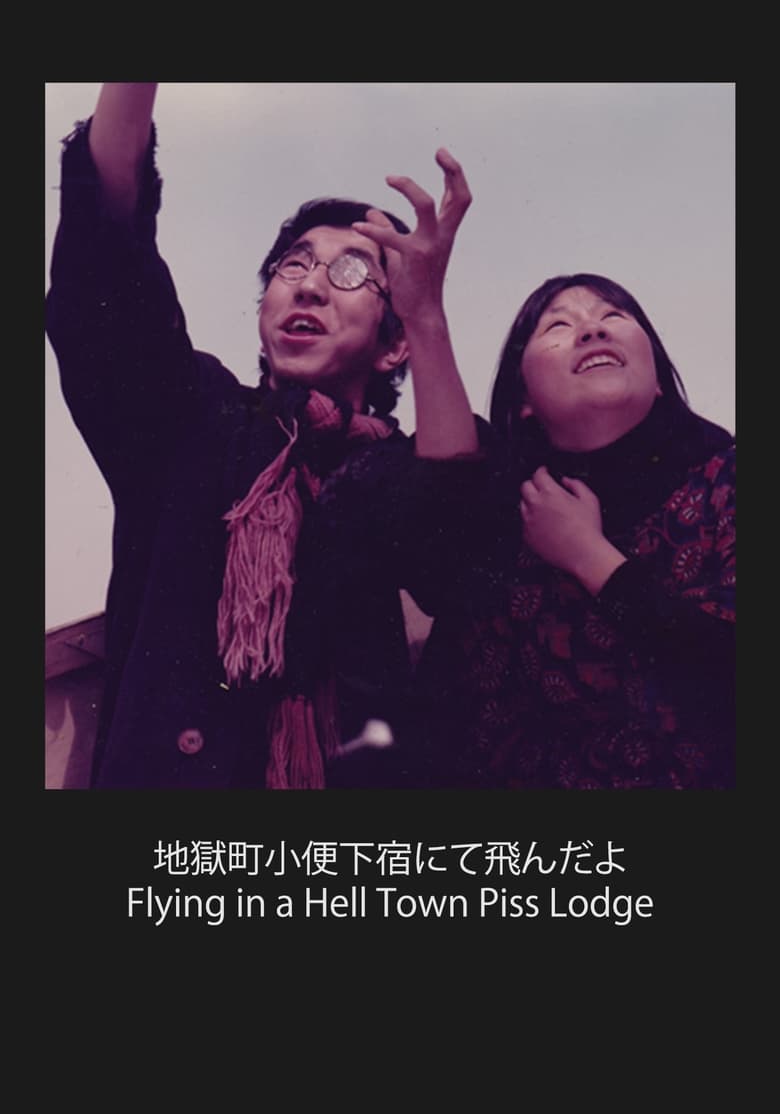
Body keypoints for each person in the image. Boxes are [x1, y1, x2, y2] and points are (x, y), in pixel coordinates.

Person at [46, 82, 481, 790]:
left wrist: (427, 315)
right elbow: (109, 261)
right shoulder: (193, 419)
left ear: (394, 343)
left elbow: (459, 550)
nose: (309, 287)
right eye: (293, 265)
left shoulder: (399, 465)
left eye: (352, 272)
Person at [415, 273, 735, 789]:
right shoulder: (505, 525)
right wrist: (424, 318)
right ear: (523, 400)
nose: (592, 330)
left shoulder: (728, 479)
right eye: (558, 326)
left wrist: (589, 557)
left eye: (613, 316)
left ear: (658, 379)